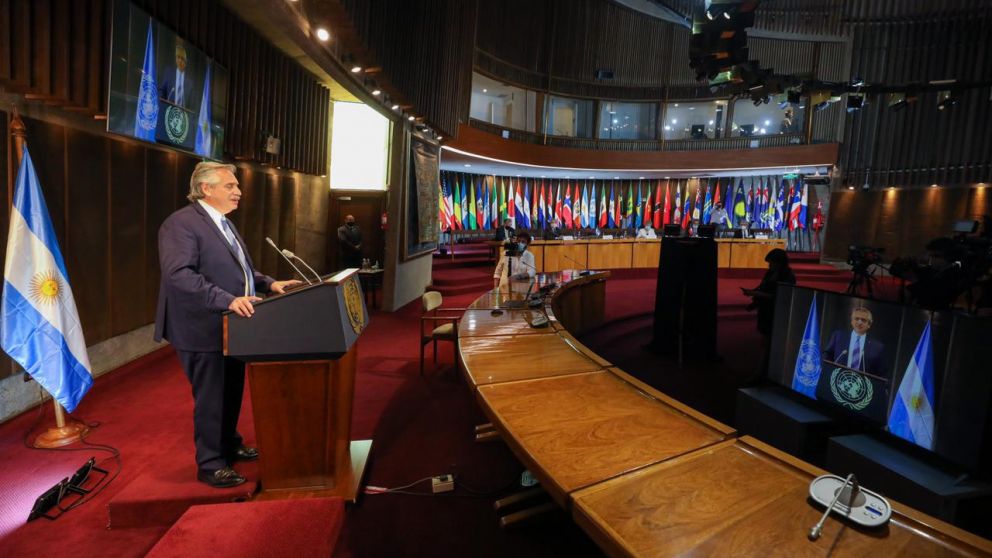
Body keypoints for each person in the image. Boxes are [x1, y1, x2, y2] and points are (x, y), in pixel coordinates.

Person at [155, 162, 302, 488]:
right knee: (211, 396)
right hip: (202, 326)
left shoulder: (222, 223)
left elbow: (239, 271)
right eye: (230, 186)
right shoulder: (180, 224)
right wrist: (226, 300)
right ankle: (210, 463)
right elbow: (179, 275)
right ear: (206, 189)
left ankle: (229, 443)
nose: (238, 192)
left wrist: (268, 283)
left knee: (231, 389)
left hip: (234, 324)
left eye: (237, 186)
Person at [743, 249, 797, 380]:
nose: (769, 266)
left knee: (771, 343)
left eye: (771, 263)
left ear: (779, 262)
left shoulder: (788, 276)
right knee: (765, 342)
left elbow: (781, 295)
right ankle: (764, 371)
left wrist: (756, 294)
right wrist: (753, 295)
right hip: (766, 310)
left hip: (777, 312)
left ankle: (763, 373)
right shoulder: (771, 273)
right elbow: (762, 287)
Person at [822, 307, 888, 375]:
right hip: (838, 379)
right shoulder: (838, 337)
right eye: (857, 319)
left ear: (869, 325)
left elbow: (881, 374)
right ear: (852, 321)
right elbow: (826, 357)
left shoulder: (877, 347)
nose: (859, 322)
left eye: (863, 320)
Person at [159, 40, 193, 108]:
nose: (180, 61)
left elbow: (190, 104)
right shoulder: (169, 73)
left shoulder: (189, 81)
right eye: (178, 57)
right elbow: (162, 91)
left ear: (186, 62)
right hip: (168, 112)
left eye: (182, 58)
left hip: (182, 115)